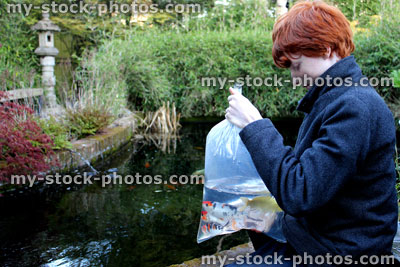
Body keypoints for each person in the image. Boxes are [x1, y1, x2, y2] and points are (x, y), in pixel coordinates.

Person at [224, 0, 399, 266]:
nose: (295, 79)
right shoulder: (336, 96)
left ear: (326, 49)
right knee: (242, 208)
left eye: (297, 66)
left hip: (343, 251)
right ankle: (271, 255)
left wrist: (254, 125)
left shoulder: (354, 108)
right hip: (322, 229)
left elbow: (300, 193)